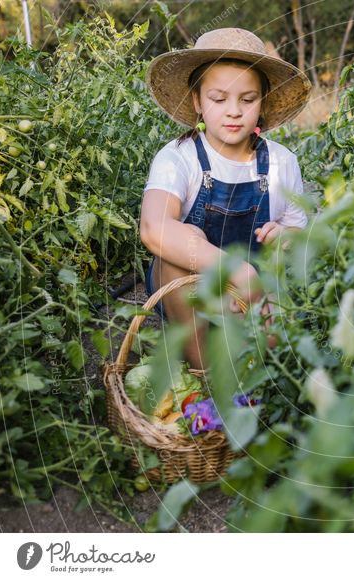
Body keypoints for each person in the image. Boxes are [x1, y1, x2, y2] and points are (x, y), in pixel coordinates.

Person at [139, 28, 312, 369]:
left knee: (279, 333)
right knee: (179, 248)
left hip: (256, 290)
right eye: (219, 99)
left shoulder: (281, 163)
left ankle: (255, 375)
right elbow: (152, 228)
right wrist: (235, 269)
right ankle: (202, 372)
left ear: (262, 102)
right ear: (197, 102)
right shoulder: (179, 157)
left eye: (247, 100)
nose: (234, 111)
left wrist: (285, 237)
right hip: (192, 289)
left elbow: (300, 236)